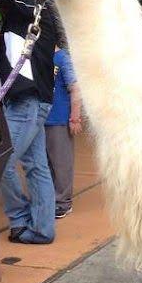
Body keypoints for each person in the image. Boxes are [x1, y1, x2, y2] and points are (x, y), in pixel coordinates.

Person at [0, 0, 58, 244]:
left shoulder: (31, 8)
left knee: (1, 164)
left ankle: (22, 221)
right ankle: (42, 229)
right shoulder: (23, 14)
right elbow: (8, 63)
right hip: (30, 101)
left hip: (27, 102)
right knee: (37, 167)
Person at [45, 41, 82, 219]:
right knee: (44, 164)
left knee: (61, 163)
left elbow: (75, 89)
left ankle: (63, 203)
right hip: (41, 119)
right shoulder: (41, 55)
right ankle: (48, 200)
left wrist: (75, 117)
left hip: (59, 118)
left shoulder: (63, 58)